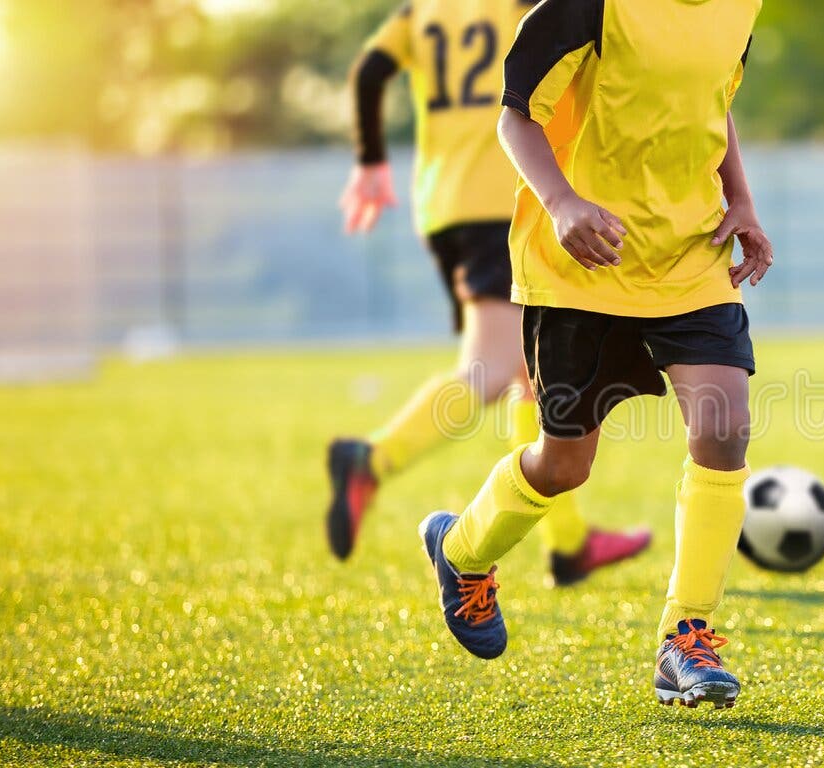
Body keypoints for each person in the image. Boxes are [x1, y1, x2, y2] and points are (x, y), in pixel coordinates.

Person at [415, 0, 771, 710]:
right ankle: (463, 552)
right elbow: (515, 116)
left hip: (688, 255)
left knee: (724, 427)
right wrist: (562, 202)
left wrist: (743, 202)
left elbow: (713, 103)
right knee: (565, 464)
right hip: (581, 263)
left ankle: (685, 637)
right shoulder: (588, 5)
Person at [329, 0, 651, 587]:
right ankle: (371, 460)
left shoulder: (421, 11)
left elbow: (372, 69)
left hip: (446, 204)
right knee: (493, 368)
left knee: (530, 373)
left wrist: (372, 160)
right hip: (504, 195)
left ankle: (568, 542)